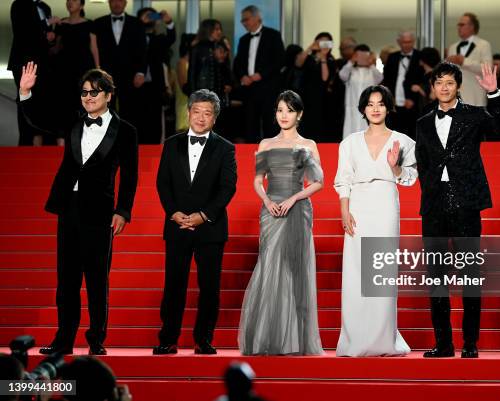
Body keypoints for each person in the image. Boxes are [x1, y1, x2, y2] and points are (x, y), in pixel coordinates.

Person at [19, 63, 139, 356]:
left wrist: (122, 211)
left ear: (109, 95)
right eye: (84, 92)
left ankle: (96, 339)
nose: (88, 97)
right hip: (68, 208)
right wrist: (25, 91)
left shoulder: (125, 131)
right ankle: (64, 339)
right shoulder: (73, 120)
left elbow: (131, 175)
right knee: (67, 280)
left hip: (99, 211)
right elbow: (40, 118)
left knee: (98, 279)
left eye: (95, 92)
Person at [415, 62, 500, 359]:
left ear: (458, 86)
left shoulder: (473, 115)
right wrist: (430, 190)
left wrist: (494, 94)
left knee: (470, 275)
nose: (444, 88)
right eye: (438, 82)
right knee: (436, 278)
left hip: (467, 204)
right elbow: (423, 163)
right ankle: (443, 344)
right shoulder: (422, 122)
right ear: (432, 87)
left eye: (449, 83)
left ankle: (470, 342)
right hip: (434, 206)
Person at [238, 91, 324, 355]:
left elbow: (318, 182)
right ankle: (267, 337)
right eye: (279, 110)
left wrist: (295, 198)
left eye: (289, 110)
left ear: (299, 114)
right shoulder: (266, 144)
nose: (283, 115)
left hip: (297, 209)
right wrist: (265, 200)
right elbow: (257, 180)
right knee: (270, 268)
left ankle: (294, 340)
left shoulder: (309, 145)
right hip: (271, 209)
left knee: (294, 271)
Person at [334, 85, 417, 356]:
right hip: (357, 204)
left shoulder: (403, 141)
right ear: (363, 109)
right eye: (370, 104)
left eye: (381, 103)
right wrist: (344, 210)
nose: (376, 108)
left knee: (380, 273)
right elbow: (343, 178)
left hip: (384, 204)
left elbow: (409, 178)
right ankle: (355, 339)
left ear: (389, 107)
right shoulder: (349, 142)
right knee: (356, 272)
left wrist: (395, 166)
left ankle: (382, 339)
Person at [153, 89, 237, 355]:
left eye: (207, 113)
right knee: (173, 285)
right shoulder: (171, 143)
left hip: (210, 228)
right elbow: (162, 183)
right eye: (197, 111)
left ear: (215, 118)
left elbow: (227, 188)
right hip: (177, 224)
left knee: (209, 288)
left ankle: (204, 339)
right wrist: (173, 212)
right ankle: (168, 339)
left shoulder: (225, 148)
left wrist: (203, 215)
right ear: (188, 112)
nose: (201, 118)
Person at [8, 0, 59, 146]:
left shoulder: (45, 6)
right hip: (23, 62)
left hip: (43, 64)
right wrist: (47, 22)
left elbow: (44, 37)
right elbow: (23, 30)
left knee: (43, 102)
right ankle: (26, 142)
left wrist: (50, 38)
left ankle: (43, 141)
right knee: (25, 99)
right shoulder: (18, 4)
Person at [233, 5, 285, 142]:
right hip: (249, 90)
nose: (244, 23)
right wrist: (242, 76)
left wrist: (261, 74)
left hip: (269, 88)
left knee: (270, 123)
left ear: (257, 18)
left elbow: (280, 60)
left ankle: (271, 155)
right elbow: (237, 63)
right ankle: (250, 157)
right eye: (242, 20)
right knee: (250, 125)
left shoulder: (273, 35)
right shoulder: (243, 40)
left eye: (246, 19)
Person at [94, 0, 147, 130]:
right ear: (109, 3)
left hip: (130, 74)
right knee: (104, 109)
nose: (117, 3)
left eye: (120, 1)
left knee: (130, 110)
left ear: (125, 3)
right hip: (105, 75)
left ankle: (129, 142)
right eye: (113, 1)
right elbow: (94, 50)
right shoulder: (98, 23)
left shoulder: (137, 23)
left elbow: (143, 49)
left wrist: (141, 72)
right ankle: (105, 143)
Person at [54, 0, 100, 142]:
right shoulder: (61, 23)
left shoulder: (89, 23)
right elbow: (56, 48)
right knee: (64, 103)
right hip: (64, 70)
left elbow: (94, 48)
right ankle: (62, 140)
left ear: (81, 5)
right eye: (68, 0)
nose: (70, 3)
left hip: (84, 69)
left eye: (74, 0)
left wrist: (98, 69)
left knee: (84, 102)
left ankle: (85, 140)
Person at [135, 7, 175, 144]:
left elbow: (171, 38)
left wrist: (168, 22)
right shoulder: (131, 38)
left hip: (154, 88)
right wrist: (140, 25)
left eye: (152, 16)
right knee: (136, 124)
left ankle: (153, 156)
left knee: (155, 126)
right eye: (146, 16)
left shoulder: (159, 39)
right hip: (135, 88)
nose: (149, 18)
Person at [295, 32, 338, 142]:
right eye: (321, 41)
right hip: (306, 96)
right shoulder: (308, 58)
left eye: (326, 42)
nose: (323, 44)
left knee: (320, 125)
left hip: (323, 98)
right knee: (305, 124)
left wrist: (323, 58)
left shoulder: (331, 60)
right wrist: (310, 47)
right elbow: (298, 63)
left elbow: (325, 78)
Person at [383, 31, 425, 139]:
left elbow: (423, 81)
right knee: (394, 134)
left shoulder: (420, 56)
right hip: (394, 104)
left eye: (409, 42)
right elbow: (387, 79)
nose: (407, 45)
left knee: (412, 134)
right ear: (399, 42)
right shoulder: (392, 57)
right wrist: (389, 97)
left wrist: (412, 98)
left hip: (413, 105)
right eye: (404, 42)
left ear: (414, 42)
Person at [446, 12, 493, 106]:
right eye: (458, 25)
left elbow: (488, 69)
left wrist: (464, 61)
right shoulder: (452, 47)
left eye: (462, 24)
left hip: (475, 97)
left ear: (472, 26)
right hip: (454, 99)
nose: (459, 27)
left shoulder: (483, 45)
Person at [339, 44, 383, 139]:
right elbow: (342, 75)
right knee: (351, 133)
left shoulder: (372, 71)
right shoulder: (351, 71)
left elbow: (380, 78)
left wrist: (371, 64)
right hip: (352, 108)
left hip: (368, 109)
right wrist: (351, 61)